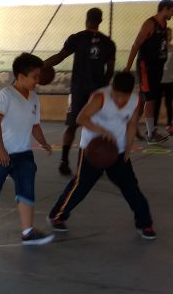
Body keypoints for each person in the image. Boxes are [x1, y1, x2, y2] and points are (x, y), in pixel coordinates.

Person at [48, 71, 156, 240]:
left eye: (124, 96)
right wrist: (103, 131)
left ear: (130, 93)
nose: (120, 100)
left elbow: (132, 124)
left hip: (117, 150)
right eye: (117, 95)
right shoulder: (100, 97)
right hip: (93, 150)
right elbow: (81, 118)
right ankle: (57, 216)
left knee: (130, 187)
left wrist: (127, 150)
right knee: (81, 185)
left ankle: (145, 223)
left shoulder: (135, 100)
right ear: (112, 89)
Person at [0, 53, 54, 245]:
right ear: (21, 76)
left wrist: (44, 142)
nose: (38, 81)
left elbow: (35, 125)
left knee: (26, 186)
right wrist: (1, 150)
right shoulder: (5, 96)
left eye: (39, 77)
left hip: (23, 153)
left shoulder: (34, 98)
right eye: (35, 77)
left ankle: (27, 232)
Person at [44, 7, 116, 176]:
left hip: (78, 90)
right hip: (97, 92)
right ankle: (91, 163)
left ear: (86, 19)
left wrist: (41, 66)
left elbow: (60, 56)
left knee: (72, 126)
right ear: (100, 21)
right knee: (96, 127)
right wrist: (102, 88)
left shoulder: (77, 38)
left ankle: (64, 161)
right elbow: (110, 71)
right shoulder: (108, 43)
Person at [125, 0, 173, 143]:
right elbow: (136, 45)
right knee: (150, 99)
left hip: (157, 67)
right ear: (165, 9)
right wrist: (128, 67)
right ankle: (151, 133)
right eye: (172, 10)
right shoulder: (150, 24)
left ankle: (132, 126)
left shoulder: (164, 24)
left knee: (143, 100)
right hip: (146, 67)